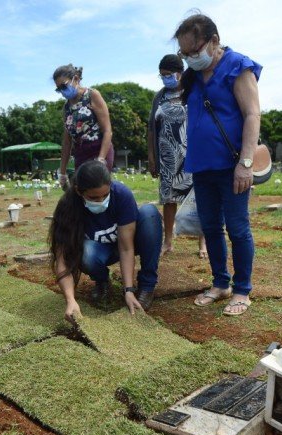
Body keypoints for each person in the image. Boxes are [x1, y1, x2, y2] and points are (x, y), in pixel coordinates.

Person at [174, 14, 262, 316]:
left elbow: (252, 114)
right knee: (210, 226)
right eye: (184, 54)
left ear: (214, 41)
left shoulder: (237, 66)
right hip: (202, 165)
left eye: (194, 50)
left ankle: (242, 289)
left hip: (232, 165)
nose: (190, 58)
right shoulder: (194, 76)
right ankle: (220, 283)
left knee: (238, 228)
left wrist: (246, 163)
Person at [48, 160, 162, 321]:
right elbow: (62, 260)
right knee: (85, 253)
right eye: (93, 198)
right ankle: (101, 281)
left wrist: (128, 290)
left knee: (149, 213)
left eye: (105, 195)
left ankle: (147, 285)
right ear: (79, 191)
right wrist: (70, 300)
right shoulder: (67, 207)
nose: (101, 201)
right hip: (99, 251)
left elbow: (126, 248)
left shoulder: (122, 195)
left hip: (127, 244)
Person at [147, 54, 207, 258]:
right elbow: (151, 129)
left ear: (180, 73)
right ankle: (168, 241)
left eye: (168, 74)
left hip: (193, 154)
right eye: (162, 75)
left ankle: (203, 243)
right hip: (167, 157)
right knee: (169, 200)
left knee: (200, 198)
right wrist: (152, 157)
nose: (165, 78)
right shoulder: (159, 97)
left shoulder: (194, 90)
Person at [53, 64, 114, 188]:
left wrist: (101, 159)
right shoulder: (66, 108)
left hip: (99, 148)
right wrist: (62, 172)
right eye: (58, 89)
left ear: (75, 79)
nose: (62, 91)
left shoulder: (92, 95)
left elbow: (107, 131)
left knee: (97, 188)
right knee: (81, 192)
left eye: (64, 86)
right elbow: (67, 142)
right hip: (80, 153)